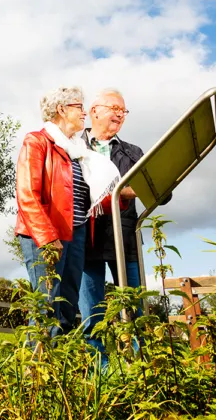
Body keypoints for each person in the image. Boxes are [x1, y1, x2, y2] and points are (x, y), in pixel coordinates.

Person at [15, 86, 120, 335]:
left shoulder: (78, 151)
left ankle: (61, 368)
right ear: (61, 109)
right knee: (46, 304)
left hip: (76, 233)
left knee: (68, 306)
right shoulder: (38, 141)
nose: (85, 113)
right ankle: (37, 368)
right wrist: (48, 237)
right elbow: (27, 193)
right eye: (79, 106)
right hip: (46, 235)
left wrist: (119, 197)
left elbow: (86, 195)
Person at [78, 88, 171, 356]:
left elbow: (162, 191)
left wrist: (130, 188)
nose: (120, 115)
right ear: (94, 112)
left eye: (123, 111)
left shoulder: (132, 152)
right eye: (114, 109)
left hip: (126, 239)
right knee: (91, 314)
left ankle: (140, 366)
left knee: (136, 308)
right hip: (87, 241)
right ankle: (100, 370)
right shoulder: (74, 148)